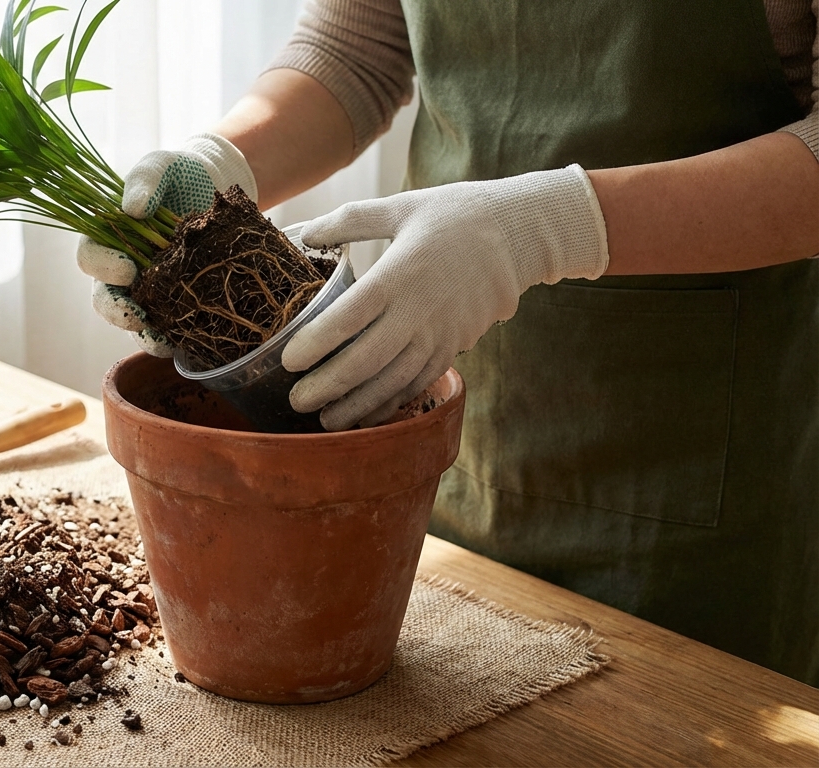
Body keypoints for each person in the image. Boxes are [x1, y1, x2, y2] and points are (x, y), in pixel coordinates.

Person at [77, 0, 819, 687]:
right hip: (439, 388)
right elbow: (360, 43)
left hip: (701, 452)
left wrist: (546, 227)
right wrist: (222, 162)